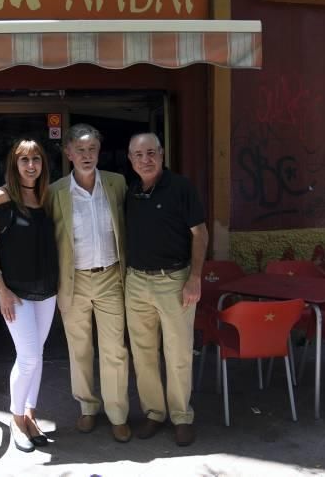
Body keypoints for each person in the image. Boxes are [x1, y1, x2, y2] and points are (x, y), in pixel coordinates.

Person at [48, 124, 131, 443]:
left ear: (99, 151)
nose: (86, 155)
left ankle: (118, 414)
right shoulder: (55, 192)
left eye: (92, 149)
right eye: (79, 150)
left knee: (115, 350)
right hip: (74, 281)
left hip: (111, 276)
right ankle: (87, 407)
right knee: (79, 349)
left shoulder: (117, 183)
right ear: (68, 153)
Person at [124, 132, 208, 447]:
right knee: (143, 353)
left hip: (174, 280)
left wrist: (195, 278)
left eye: (151, 153)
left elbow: (200, 235)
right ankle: (154, 412)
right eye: (139, 155)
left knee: (178, 353)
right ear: (130, 160)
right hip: (136, 282)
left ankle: (181, 416)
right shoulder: (131, 191)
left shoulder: (182, 188)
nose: (146, 160)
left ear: (162, 153)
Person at [0, 138, 59, 452]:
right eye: (24, 160)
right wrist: (0, 290)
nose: (31, 166)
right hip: (16, 293)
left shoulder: (47, 196)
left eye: (36, 159)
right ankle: (15, 419)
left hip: (47, 290)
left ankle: (30, 414)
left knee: (37, 356)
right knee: (27, 358)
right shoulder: (2, 197)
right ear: (14, 165)